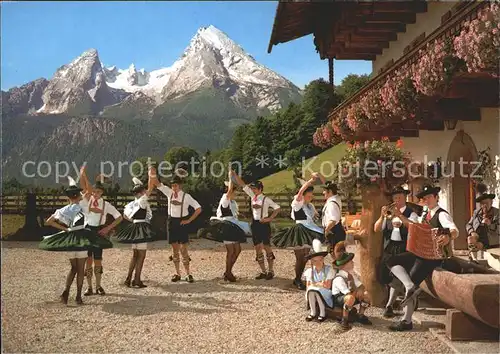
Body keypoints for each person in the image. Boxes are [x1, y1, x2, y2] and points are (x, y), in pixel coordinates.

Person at [386, 184, 459, 331]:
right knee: (392, 261)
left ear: (436, 198)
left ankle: (406, 321)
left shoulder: (442, 214)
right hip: (420, 252)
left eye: (429, 197)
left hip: (434, 257)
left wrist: (448, 236)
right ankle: (408, 285)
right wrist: (399, 215)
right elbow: (413, 226)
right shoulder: (425, 214)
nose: (426, 200)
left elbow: (454, 230)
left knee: (413, 277)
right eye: (424, 198)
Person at [39, 175, 113, 305]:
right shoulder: (83, 207)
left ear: (68, 197)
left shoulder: (63, 210)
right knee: (80, 269)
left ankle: (66, 292)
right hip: (82, 239)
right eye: (79, 194)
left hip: (71, 238)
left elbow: (49, 222)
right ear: (78, 196)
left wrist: (66, 229)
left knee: (73, 268)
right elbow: (91, 198)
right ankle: (78, 297)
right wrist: (85, 176)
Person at [272, 172, 324, 290]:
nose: (311, 198)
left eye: (311, 196)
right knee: (300, 257)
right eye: (309, 196)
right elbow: (300, 193)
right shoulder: (297, 203)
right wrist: (311, 181)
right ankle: (297, 279)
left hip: (310, 229)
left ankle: (300, 278)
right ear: (303, 195)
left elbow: (315, 218)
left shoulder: (310, 206)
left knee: (305, 257)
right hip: (300, 230)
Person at [374, 185, 418, 318]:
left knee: (400, 276)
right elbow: (376, 229)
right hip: (390, 247)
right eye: (394, 197)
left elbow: (414, 228)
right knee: (387, 276)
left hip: (404, 248)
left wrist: (400, 217)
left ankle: (392, 306)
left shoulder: (412, 213)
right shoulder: (389, 213)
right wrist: (382, 216)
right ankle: (393, 304)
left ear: (405, 198)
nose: (397, 200)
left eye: (399, 197)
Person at [199, 170, 251, 282]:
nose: (234, 193)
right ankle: (228, 273)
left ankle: (228, 271)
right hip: (226, 226)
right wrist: (231, 178)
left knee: (237, 250)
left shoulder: (233, 202)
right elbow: (228, 194)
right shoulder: (225, 198)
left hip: (233, 226)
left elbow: (233, 213)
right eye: (233, 191)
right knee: (231, 250)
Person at [79, 169, 123, 296]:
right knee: (88, 259)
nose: (96, 194)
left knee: (98, 260)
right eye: (94, 192)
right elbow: (84, 186)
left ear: (102, 192)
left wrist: (107, 228)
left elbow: (119, 217)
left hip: (99, 231)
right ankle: (89, 287)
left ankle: (98, 285)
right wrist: (83, 174)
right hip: (88, 230)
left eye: (98, 192)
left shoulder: (106, 205)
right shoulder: (87, 200)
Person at [233, 173, 281, 280]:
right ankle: (263, 271)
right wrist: (234, 175)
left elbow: (277, 208)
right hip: (255, 224)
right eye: (253, 188)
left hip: (264, 224)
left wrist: (270, 218)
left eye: (255, 188)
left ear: (260, 189)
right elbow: (243, 185)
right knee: (257, 248)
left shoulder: (266, 199)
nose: (253, 190)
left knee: (267, 246)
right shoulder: (252, 196)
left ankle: (271, 270)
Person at [156, 172, 202, 283]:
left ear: (180, 186)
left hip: (182, 222)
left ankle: (188, 273)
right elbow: (157, 184)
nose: (174, 187)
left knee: (184, 249)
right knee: (174, 250)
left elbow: (198, 208)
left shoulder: (186, 196)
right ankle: (177, 273)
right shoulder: (169, 193)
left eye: (175, 185)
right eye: (172, 185)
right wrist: (152, 172)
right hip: (172, 222)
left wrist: (189, 220)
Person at [115, 169, 157, 288]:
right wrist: (151, 176)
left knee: (135, 255)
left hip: (134, 227)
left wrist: (133, 221)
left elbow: (125, 216)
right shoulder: (142, 202)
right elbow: (149, 190)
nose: (144, 193)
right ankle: (137, 280)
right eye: (142, 191)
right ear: (140, 193)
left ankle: (128, 279)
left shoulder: (130, 205)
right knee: (142, 255)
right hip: (142, 228)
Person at [331, 241, 372, 330]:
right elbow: (347, 293)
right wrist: (357, 291)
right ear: (344, 265)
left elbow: (360, 285)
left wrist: (361, 290)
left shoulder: (351, 274)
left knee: (366, 294)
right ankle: (344, 319)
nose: (353, 263)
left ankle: (360, 315)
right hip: (340, 298)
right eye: (351, 262)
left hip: (352, 293)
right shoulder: (339, 278)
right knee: (350, 298)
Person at [303, 239, 335, 322]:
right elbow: (308, 285)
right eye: (315, 261)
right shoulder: (310, 271)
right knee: (311, 290)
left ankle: (322, 312)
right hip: (313, 291)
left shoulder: (329, 270)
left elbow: (327, 286)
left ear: (323, 259)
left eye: (320, 260)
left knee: (316, 291)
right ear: (311, 262)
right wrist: (319, 284)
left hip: (325, 292)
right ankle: (313, 312)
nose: (318, 263)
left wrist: (315, 284)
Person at [466, 184, 499, 262]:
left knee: (478, 245)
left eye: (486, 203)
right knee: (470, 238)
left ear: (491, 202)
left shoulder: (497, 212)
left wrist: (490, 224)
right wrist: (472, 232)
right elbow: (468, 224)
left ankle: (474, 260)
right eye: (482, 203)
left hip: (491, 239)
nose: (484, 205)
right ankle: (474, 260)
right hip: (479, 237)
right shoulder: (476, 212)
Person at [321, 181, 346, 248]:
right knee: (337, 253)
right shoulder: (335, 198)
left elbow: (333, 220)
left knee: (336, 253)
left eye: (325, 190)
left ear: (330, 191)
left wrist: (326, 231)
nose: (323, 192)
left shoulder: (331, 203)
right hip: (336, 229)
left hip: (333, 231)